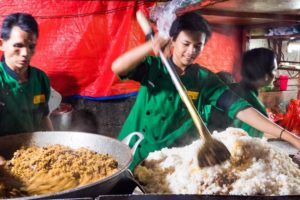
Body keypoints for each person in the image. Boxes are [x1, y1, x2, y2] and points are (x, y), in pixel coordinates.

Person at [112, 12, 300, 169]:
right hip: (133, 152)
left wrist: (289, 137)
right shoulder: (154, 68)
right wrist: (148, 47)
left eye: (198, 46)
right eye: (186, 44)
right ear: (173, 41)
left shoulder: (204, 79)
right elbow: (118, 67)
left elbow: (240, 108)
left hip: (169, 159)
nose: (191, 51)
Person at [207, 48, 279, 138]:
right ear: (265, 75)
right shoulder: (254, 105)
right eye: (274, 70)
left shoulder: (229, 89)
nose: (276, 75)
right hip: (226, 147)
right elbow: (253, 138)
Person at [0, 13, 53, 135]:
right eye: (18, 45)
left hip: (32, 150)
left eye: (31, 46)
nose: (25, 53)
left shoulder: (40, 79)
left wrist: (55, 144)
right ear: (2, 44)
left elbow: (44, 117)